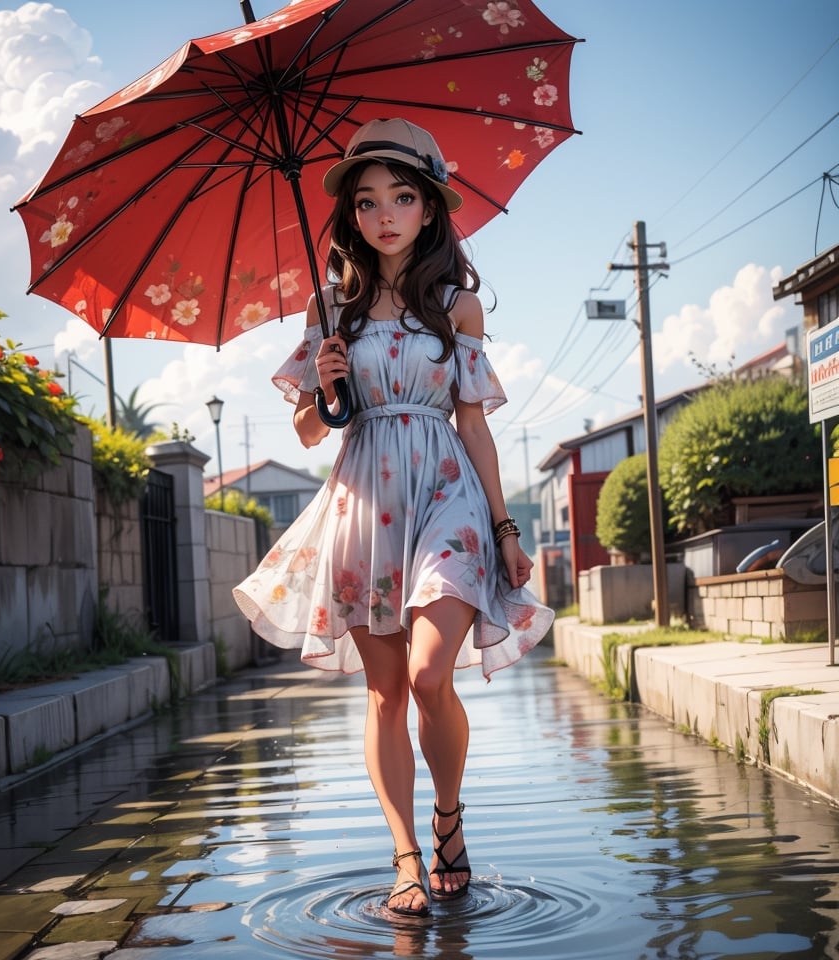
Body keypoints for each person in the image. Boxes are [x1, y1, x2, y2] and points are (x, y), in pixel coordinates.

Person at [233, 118, 554, 918]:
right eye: (369, 199)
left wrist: (507, 530)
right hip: (365, 496)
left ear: (429, 208)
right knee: (384, 694)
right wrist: (329, 381)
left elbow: (474, 421)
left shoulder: (459, 305)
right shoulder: (329, 307)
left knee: (428, 674)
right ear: (351, 214)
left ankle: (450, 816)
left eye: (402, 197)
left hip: (446, 490)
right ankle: (407, 855)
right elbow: (311, 431)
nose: (384, 213)